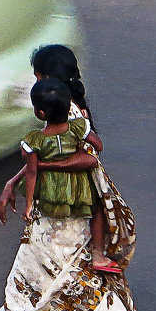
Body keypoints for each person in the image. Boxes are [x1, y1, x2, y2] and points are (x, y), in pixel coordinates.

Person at [0, 48, 155, 311]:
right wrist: (16, 179)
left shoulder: (69, 113)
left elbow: (88, 160)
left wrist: (39, 171)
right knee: (83, 290)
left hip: (61, 222)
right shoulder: (70, 112)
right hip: (76, 220)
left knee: (29, 283)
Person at [15, 79, 120, 273]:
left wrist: (29, 204)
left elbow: (31, 173)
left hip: (50, 191)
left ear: (40, 113)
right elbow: (98, 146)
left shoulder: (34, 140)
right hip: (80, 189)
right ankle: (98, 255)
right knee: (97, 210)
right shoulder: (79, 128)